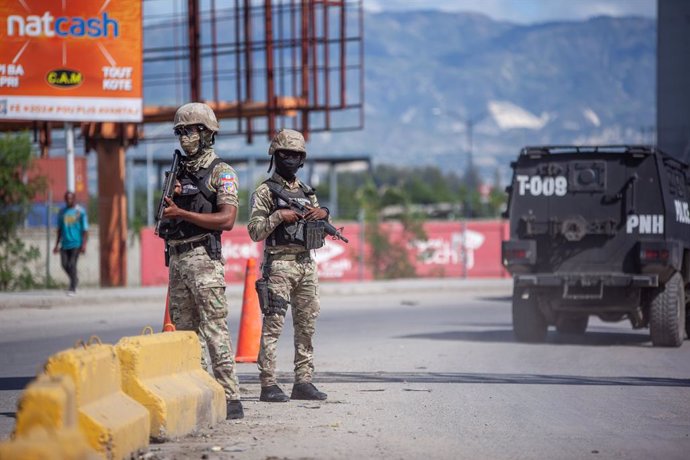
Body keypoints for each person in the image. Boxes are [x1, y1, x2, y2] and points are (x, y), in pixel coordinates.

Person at [158, 102, 244, 420]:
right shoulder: (179, 173)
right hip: (179, 259)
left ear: (207, 133)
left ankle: (231, 396)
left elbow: (227, 219)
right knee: (186, 334)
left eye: (190, 130)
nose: (184, 137)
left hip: (204, 258)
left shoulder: (221, 172)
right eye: (180, 131)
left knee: (215, 330)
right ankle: (202, 392)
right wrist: (172, 202)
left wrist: (182, 212)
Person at [248, 128, 329, 403]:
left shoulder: (307, 192)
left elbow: (318, 222)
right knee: (273, 326)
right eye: (285, 154)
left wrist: (323, 213)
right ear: (275, 155)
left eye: (296, 154)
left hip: (306, 264)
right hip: (279, 265)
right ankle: (268, 384)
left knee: (306, 326)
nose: (291, 159)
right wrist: (279, 216)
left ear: (302, 158)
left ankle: (303, 381)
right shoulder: (265, 192)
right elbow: (255, 231)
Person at [53, 191, 88, 295]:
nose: (69, 200)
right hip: (65, 243)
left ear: (74, 199)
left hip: (76, 243)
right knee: (64, 264)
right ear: (65, 200)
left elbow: (85, 230)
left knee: (72, 264)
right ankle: (75, 279)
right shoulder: (62, 212)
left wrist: (84, 245)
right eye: (67, 199)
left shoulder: (79, 212)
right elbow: (59, 229)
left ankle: (72, 287)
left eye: (71, 198)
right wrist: (56, 245)